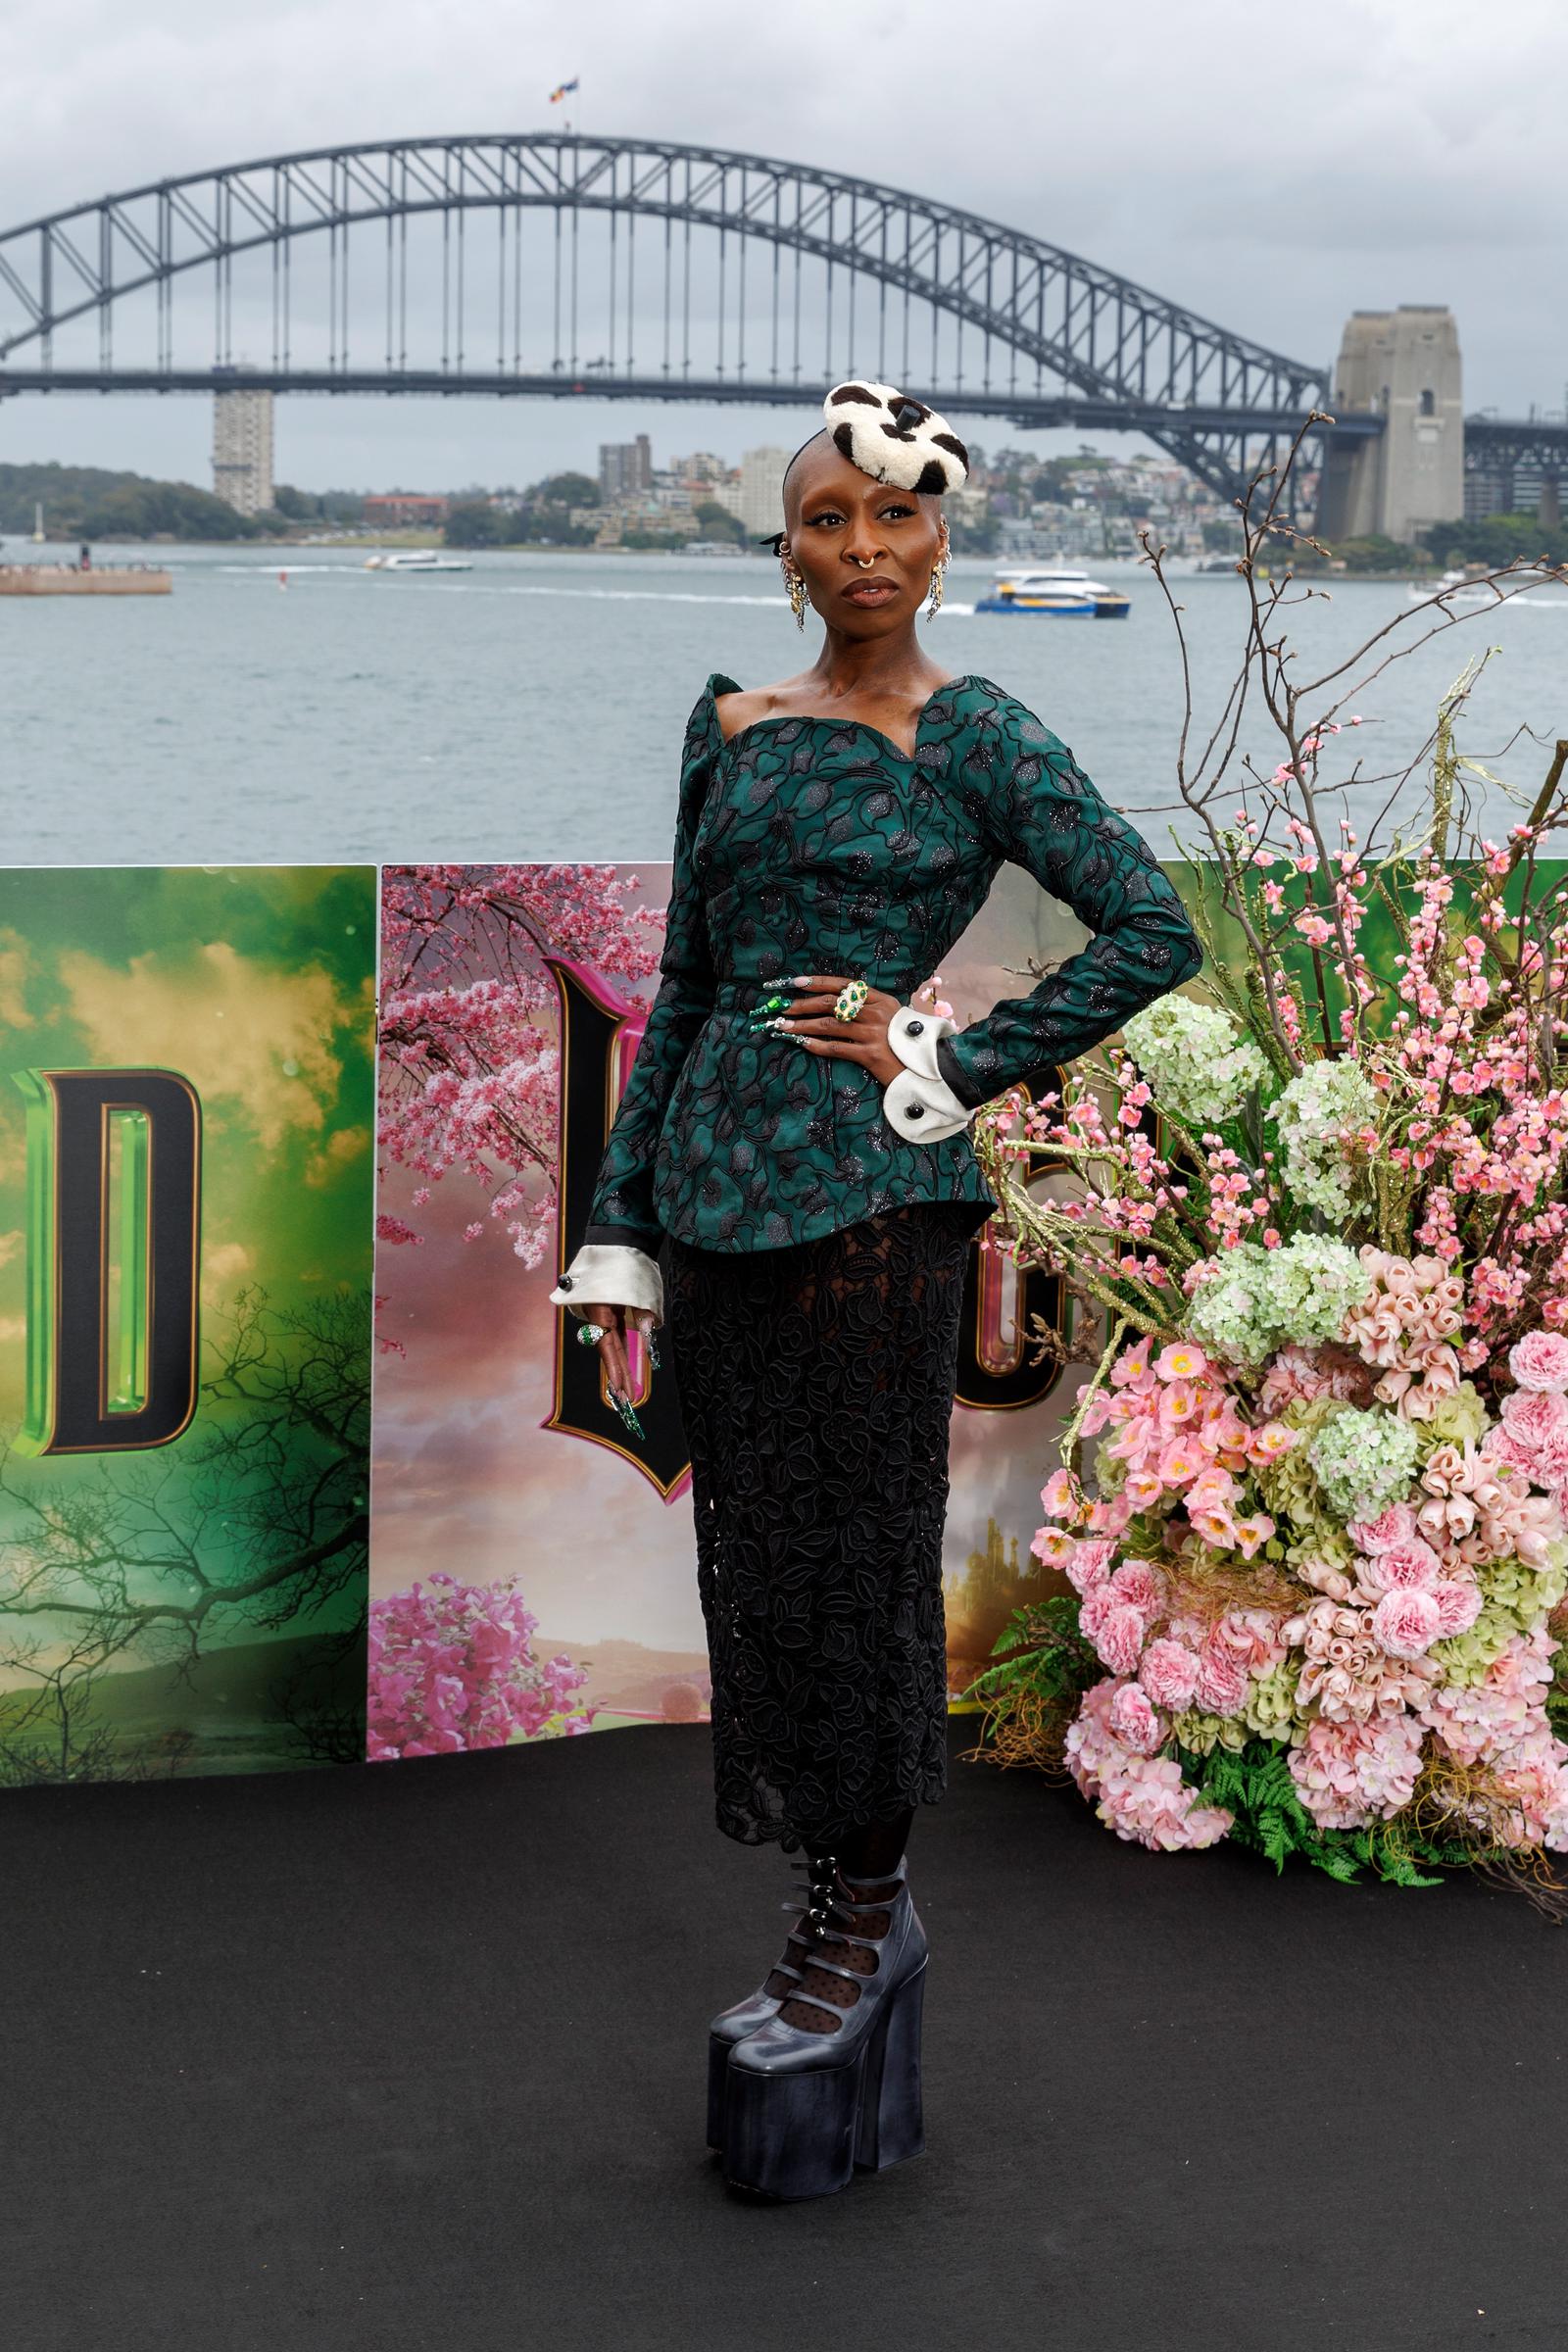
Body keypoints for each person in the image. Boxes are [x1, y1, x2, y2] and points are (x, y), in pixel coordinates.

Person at [551, 381, 1201, 2200]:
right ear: (787, 549)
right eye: (826, 521)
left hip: (869, 1215)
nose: (862, 551)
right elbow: (681, 990)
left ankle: (867, 1917)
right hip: (716, 1214)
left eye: (894, 519)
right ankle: (832, 1905)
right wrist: (618, 1231)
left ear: (941, 539)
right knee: (757, 1566)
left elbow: (1155, 926)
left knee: (852, 1563)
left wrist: (942, 1053)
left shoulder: (974, 735)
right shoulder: (736, 726)